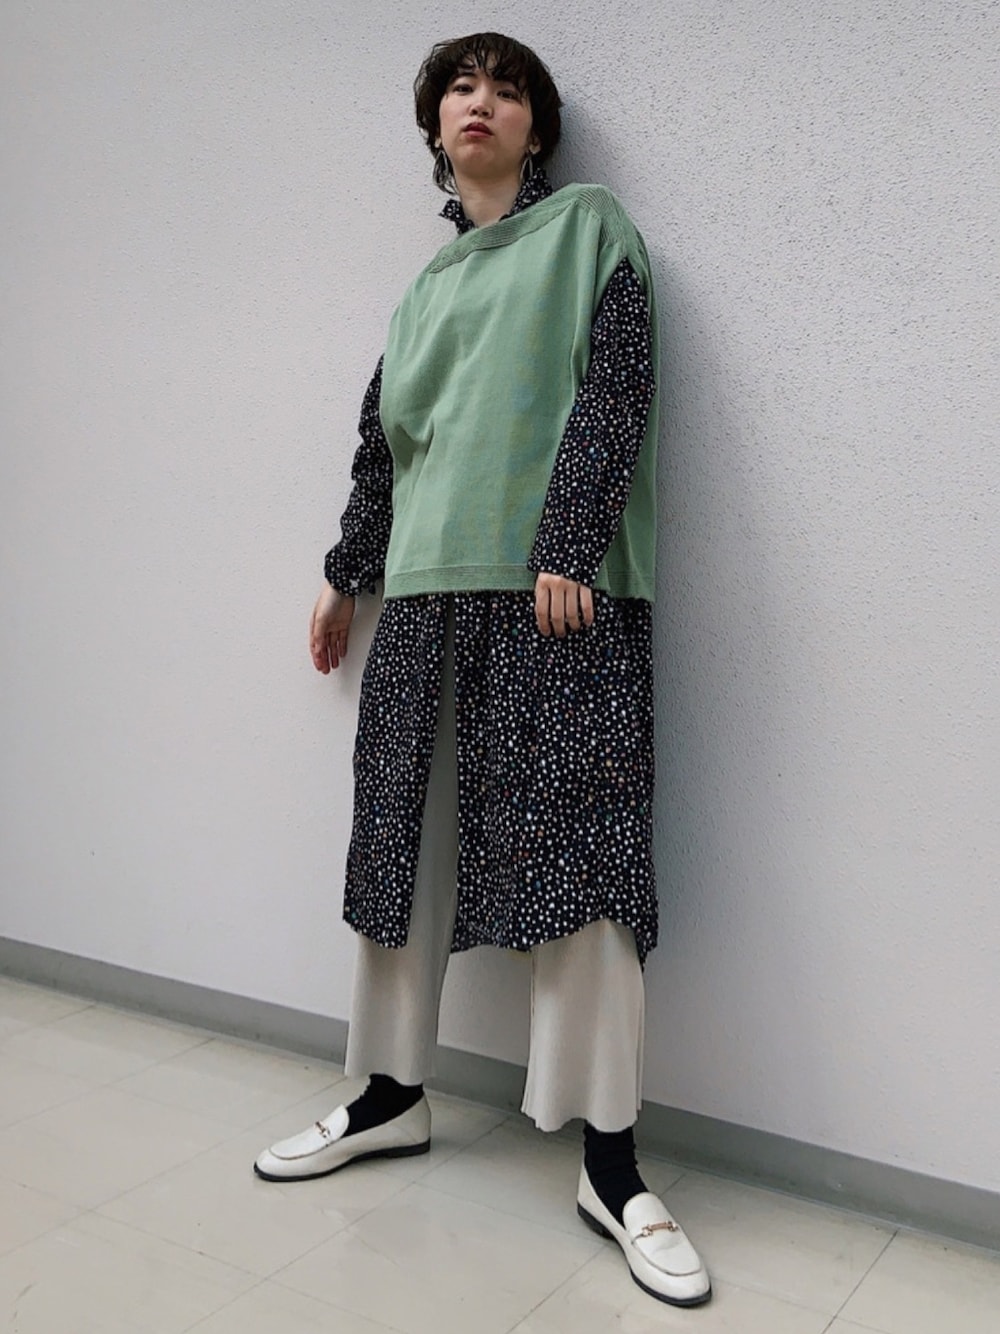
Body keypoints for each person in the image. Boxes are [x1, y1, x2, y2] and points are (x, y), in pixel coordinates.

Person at [254, 33, 711, 1309]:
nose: (482, 103)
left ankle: (611, 1162)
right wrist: (348, 572)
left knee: (586, 857)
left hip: (556, 593)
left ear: (535, 128)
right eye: (462, 85)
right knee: (400, 848)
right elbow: (383, 446)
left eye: (507, 90)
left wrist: (569, 538)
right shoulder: (421, 291)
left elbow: (615, 387)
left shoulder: (592, 231)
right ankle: (388, 1092)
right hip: (421, 593)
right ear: (435, 124)